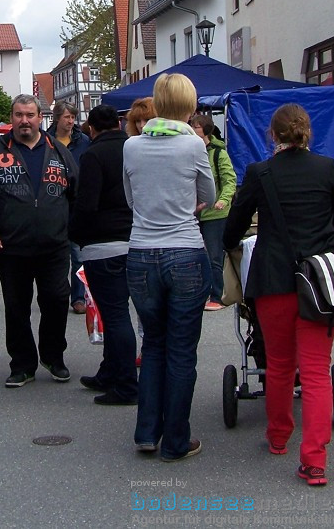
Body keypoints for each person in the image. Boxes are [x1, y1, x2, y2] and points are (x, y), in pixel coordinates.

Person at [224, 103, 334, 486]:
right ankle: (314, 461)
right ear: (307, 132)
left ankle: (278, 437)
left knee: (278, 365)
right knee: (315, 373)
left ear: (272, 135)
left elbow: (234, 229)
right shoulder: (326, 169)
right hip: (319, 284)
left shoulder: (259, 173)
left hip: (274, 281)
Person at [123, 74, 215, 461]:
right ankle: (176, 441)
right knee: (181, 351)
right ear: (190, 107)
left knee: (154, 344)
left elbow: (131, 200)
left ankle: (147, 431)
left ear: (158, 104)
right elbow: (208, 196)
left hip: (142, 252)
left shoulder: (131, 146)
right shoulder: (194, 144)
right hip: (184, 251)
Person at [0, 93, 78, 387]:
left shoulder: (58, 150)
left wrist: (73, 230)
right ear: (12, 118)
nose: (25, 121)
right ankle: (22, 364)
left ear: (40, 118)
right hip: (12, 246)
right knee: (16, 307)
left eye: (30, 115)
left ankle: (54, 357)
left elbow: (76, 192)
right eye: (19, 115)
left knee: (56, 301)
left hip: (54, 246)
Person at [69, 105, 137, 406]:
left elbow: (87, 203)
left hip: (103, 243)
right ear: (119, 123)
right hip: (135, 239)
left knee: (115, 315)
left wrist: (75, 234)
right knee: (117, 311)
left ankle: (125, 384)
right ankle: (109, 371)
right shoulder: (134, 149)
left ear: (92, 128)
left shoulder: (93, 155)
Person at [47, 101, 91, 314]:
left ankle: (78, 297)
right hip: (52, 201)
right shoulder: (46, 140)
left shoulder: (83, 141)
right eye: (67, 117)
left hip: (76, 202)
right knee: (53, 252)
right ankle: (55, 293)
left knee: (77, 253)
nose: (71, 121)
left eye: (73, 117)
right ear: (57, 118)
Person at [190, 114, 237, 312]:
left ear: (207, 132)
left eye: (198, 129)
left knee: (214, 256)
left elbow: (229, 180)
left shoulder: (218, 153)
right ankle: (198, 294)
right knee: (193, 256)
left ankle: (217, 295)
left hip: (215, 214)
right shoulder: (189, 151)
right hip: (192, 214)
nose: (194, 132)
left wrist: (223, 200)